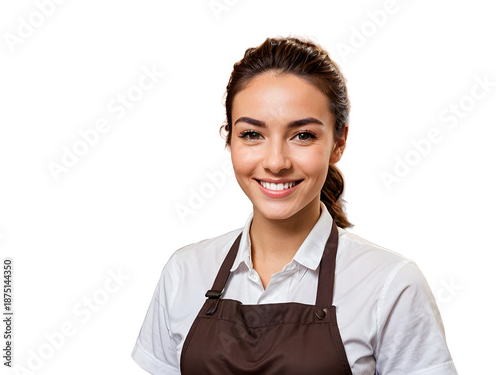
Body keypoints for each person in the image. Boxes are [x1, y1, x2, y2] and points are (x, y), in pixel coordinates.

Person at [131, 36, 458, 374]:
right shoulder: (184, 272)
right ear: (229, 138)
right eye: (252, 134)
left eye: (302, 135)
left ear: (338, 143)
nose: (276, 162)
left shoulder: (390, 284)